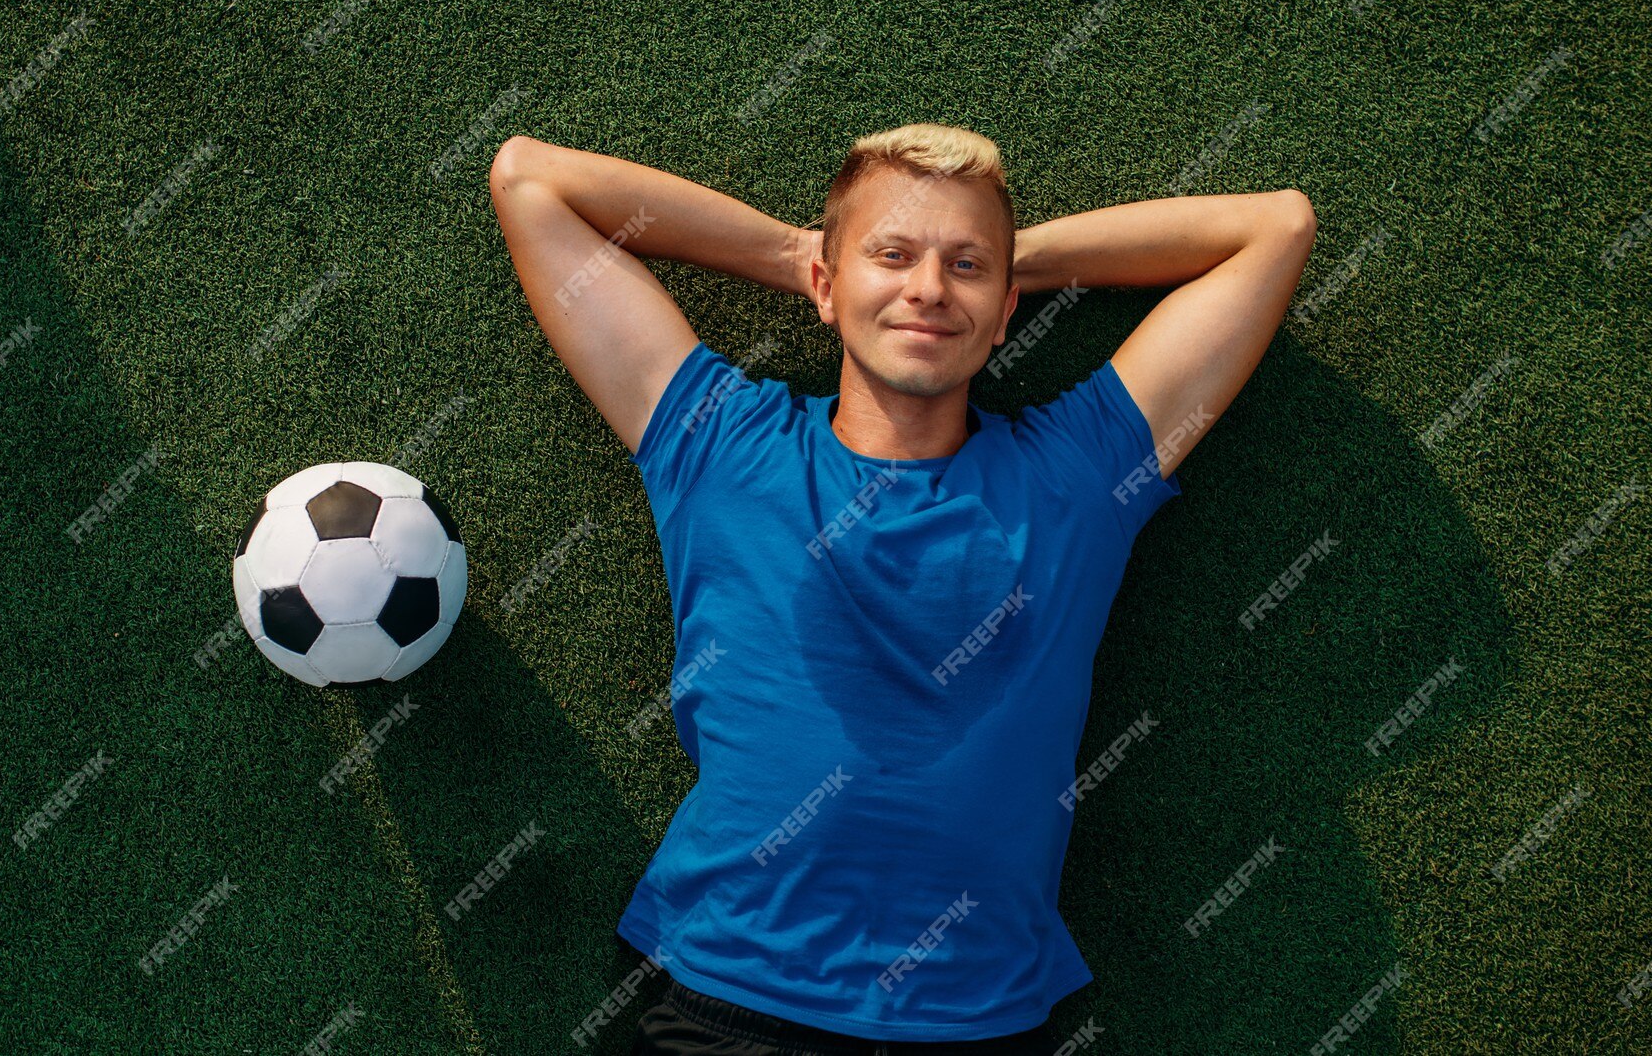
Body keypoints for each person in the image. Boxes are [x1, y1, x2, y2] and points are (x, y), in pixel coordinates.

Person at [489, 124, 1316, 1053]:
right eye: (893, 256)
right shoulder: (720, 445)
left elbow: (1275, 229)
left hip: (979, 1023)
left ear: (1006, 310)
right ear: (826, 287)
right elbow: (530, 180)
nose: (927, 287)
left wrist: (1003, 264)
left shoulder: (1079, 475)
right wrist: (809, 252)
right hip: (723, 999)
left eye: (963, 267)